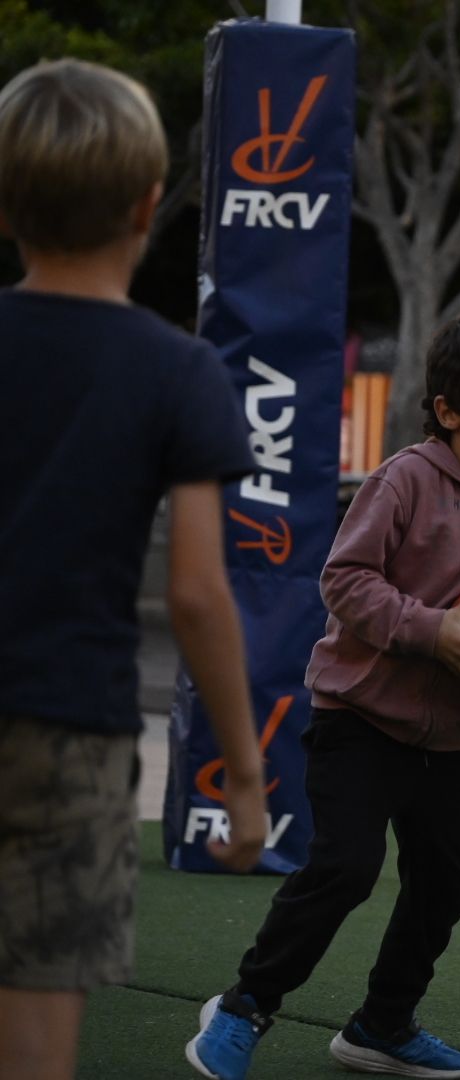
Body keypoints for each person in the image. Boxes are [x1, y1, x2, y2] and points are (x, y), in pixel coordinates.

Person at [185, 310, 460, 1080]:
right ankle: (247, 1004)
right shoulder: (405, 482)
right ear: (450, 411)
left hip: (446, 738)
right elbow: (344, 581)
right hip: (359, 718)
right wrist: (427, 629)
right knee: (345, 869)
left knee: (446, 882)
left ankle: (382, 1024)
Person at [0, 59, 268, 1080]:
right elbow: (199, 594)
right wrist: (243, 778)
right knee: (39, 997)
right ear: (152, 205)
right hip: (71, 724)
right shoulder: (177, 369)